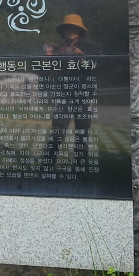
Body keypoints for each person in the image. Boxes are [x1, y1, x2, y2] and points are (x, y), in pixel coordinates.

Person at [43, 15, 93, 170]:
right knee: (58, 131)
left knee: (82, 133)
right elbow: (50, 70)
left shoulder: (89, 48)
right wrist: (49, 56)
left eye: (74, 28)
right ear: (63, 31)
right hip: (64, 94)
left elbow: (95, 69)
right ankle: (47, 166)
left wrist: (83, 58)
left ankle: (80, 167)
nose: (71, 31)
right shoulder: (58, 49)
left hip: (84, 95)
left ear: (80, 31)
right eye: (67, 28)